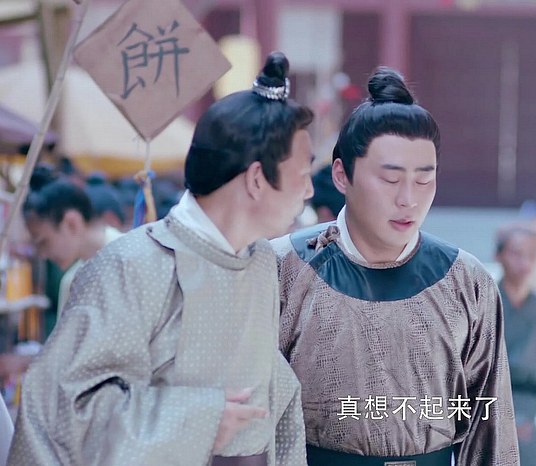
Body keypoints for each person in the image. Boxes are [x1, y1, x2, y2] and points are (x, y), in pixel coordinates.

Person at [10, 52, 314, 466]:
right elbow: (60, 409)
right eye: (303, 175)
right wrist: (197, 421)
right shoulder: (130, 266)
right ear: (258, 179)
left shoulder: (261, 260)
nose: (309, 192)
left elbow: (274, 391)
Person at [272, 67, 519, 465]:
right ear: (342, 175)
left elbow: (491, 427)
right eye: (390, 180)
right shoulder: (284, 268)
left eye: (424, 180)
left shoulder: (466, 281)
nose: (408, 199)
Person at [495, 225, 536, 466]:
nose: (524, 262)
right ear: (499, 255)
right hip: (489, 408)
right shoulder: (482, 302)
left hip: (535, 410)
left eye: (532, 255)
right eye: (516, 254)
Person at [23, 170, 122, 316]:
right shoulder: (71, 283)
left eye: (43, 242)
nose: (42, 254)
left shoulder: (129, 258)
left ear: (71, 223)